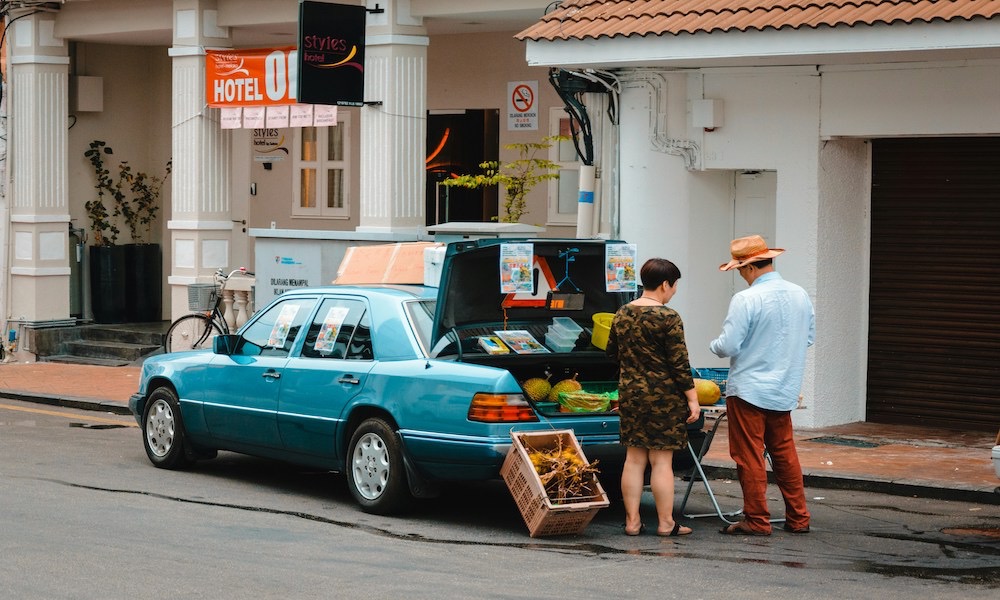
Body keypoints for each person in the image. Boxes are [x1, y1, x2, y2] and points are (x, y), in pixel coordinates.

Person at [709, 235, 815, 536]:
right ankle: (799, 518)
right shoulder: (800, 294)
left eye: (740, 270)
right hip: (784, 388)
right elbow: (808, 339)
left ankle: (757, 520)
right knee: (784, 453)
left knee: (749, 455)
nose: (741, 276)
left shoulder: (746, 299)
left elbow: (728, 345)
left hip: (749, 390)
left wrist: (712, 344)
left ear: (749, 267)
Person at [606, 258, 701, 537]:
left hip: (631, 394)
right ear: (664, 284)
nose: (674, 291)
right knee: (662, 462)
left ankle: (632, 522)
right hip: (665, 397)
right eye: (675, 285)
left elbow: (612, 352)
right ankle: (665, 523)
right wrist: (693, 399)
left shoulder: (622, 313)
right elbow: (679, 364)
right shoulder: (668, 317)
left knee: (634, 460)